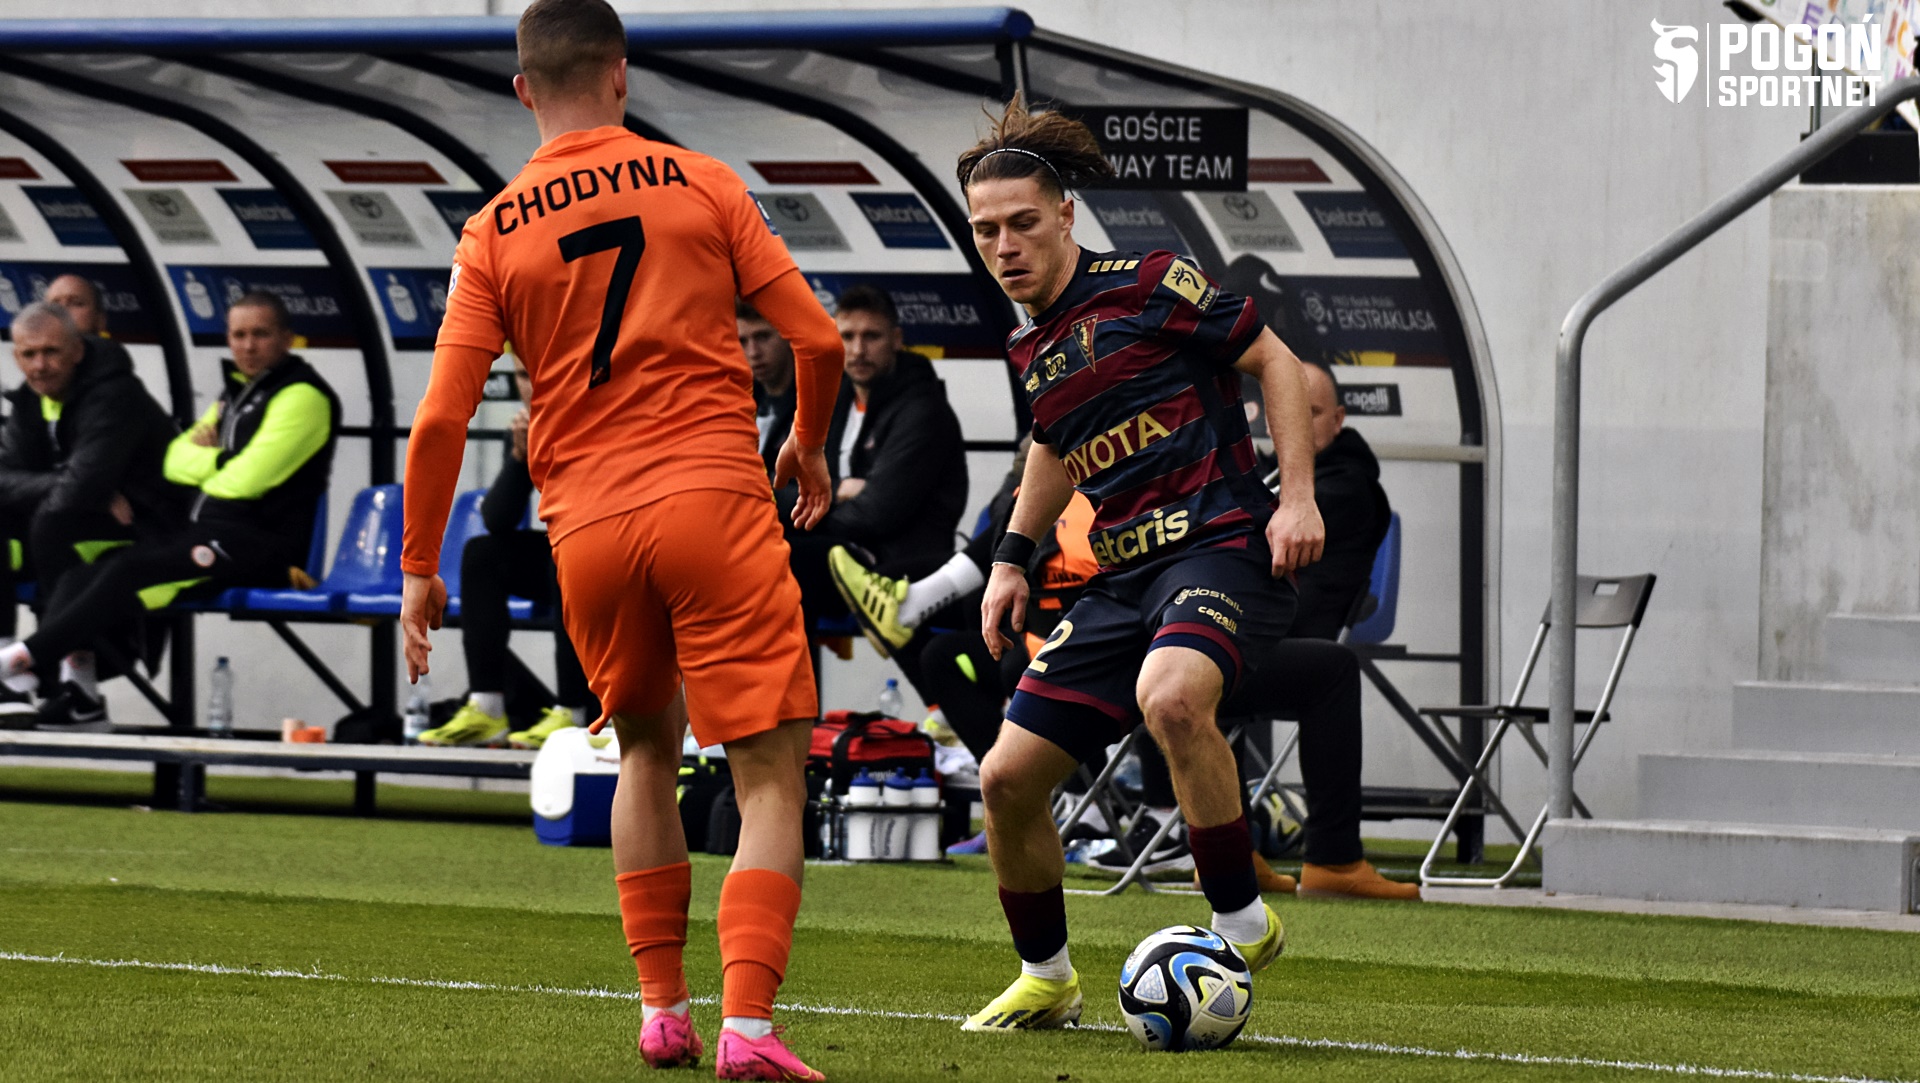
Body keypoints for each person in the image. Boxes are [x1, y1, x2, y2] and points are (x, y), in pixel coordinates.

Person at [397, 2, 842, 1077]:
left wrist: (418, 568)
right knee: (769, 771)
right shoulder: (702, 181)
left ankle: (662, 1011)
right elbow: (818, 340)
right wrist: (808, 443)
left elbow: (442, 420)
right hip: (713, 502)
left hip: (587, 526)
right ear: (621, 75)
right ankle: (748, 1029)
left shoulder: (491, 230)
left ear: (522, 89)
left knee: (644, 747)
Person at [956, 99, 1323, 1032]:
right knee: (1005, 777)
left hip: (1219, 546)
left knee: (1172, 697)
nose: (1005, 246)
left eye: (1023, 223)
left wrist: (1297, 497)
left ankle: (1241, 924)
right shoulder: (1029, 343)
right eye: (987, 230)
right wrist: (1011, 558)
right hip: (1121, 580)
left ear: (1065, 214)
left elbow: (1276, 361)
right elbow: (1054, 440)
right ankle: (1047, 977)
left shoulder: (1151, 282)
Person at [0, 291, 337, 729]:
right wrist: (223, 461)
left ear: (287, 339)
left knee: (127, 570)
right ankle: (75, 697)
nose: (248, 346)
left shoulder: (304, 396)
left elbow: (245, 481)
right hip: (208, 533)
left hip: (263, 547)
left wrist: (211, 461)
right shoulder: (235, 393)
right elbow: (174, 461)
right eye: (238, 335)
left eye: (260, 334)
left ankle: (17, 664)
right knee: (87, 574)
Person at [0, 302, 182, 723]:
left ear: (78, 351)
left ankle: (67, 685)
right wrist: (63, 484)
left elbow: (81, 488)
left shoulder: (114, 393)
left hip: (150, 531)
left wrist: (77, 488)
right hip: (79, 523)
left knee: (53, 522)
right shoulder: (29, 398)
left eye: (51, 352)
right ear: (16, 357)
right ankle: (13, 673)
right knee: (31, 520)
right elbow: (9, 479)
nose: (40, 365)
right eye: (29, 354)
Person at [417, 355, 600, 750]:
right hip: (566, 556)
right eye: (522, 375)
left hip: (611, 553)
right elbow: (498, 519)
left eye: (541, 373)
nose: (532, 386)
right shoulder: (523, 427)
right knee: (482, 554)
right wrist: (520, 458)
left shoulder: (597, 416)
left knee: (564, 554)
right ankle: (487, 706)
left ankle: (574, 710)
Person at [783, 285, 967, 628]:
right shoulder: (833, 400)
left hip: (898, 566)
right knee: (764, 552)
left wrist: (808, 512)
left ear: (896, 340)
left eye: (871, 336)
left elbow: (877, 513)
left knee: (784, 559)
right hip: (843, 551)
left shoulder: (924, 411)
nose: (857, 350)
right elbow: (778, 483)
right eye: (847, 337)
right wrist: (838, 489)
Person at [739, 299, 796, 479]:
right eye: (742, 341)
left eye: (762, 337)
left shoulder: (818, 399)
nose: (753, 352)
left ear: (788, 335)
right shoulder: (738, 400)